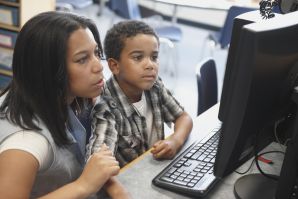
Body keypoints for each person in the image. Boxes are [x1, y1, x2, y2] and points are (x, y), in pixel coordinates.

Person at [0, 11, 131, 198]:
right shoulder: (27, 143)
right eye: (82, 59)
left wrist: (114, 188)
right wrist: (83, 186)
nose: (98, 66)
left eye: (96, 53)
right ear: (48, 70)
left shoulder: (55, 95)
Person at [86, 20, 193, 167]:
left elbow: (183, 117)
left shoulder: (154, 86)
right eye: (138, 57)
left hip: (154, 170)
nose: (150, 65)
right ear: (115, 66)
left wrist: (175, 140)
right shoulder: (106, 108)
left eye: (154, 57)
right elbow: (98, 166)